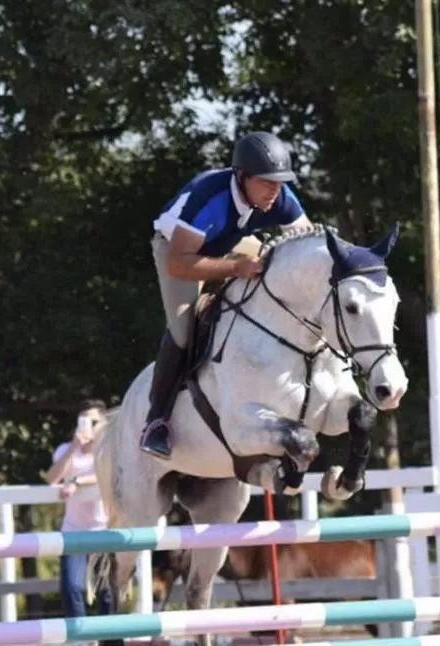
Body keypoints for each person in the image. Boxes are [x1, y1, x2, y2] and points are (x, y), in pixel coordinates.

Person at [141, 131, 313, 460]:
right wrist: (236, 270)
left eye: (279, 183)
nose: (274, 192)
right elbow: (180, 263)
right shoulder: (211, 198)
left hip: (228, 241)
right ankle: (156, 421)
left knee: (277, 266)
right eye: (266, 183)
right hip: (177, 252)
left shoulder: (279, 196)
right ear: (242, 177)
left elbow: (306, 244)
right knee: (183, 332)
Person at [44, 399, 115, 621]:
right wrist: (75, 447)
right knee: (71, 587)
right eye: (83, 420)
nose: (88, 426)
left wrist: (77, 480)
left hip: (104, 530)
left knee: (107, 593)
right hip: (73, 531)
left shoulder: (109, 450)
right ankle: (80, 637)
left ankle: (110, 640)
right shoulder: (66, 450)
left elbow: (107, 476)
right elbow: (52, 478)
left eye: (94, 421)